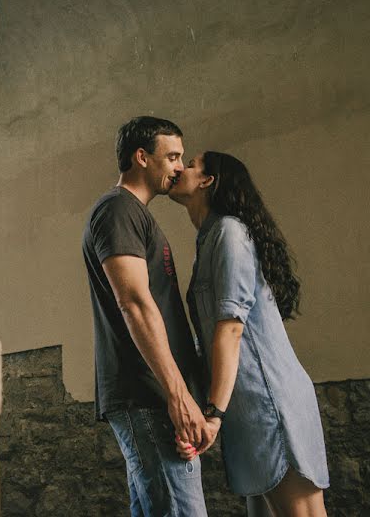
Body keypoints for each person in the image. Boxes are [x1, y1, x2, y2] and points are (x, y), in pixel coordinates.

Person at [169, 151, 330, 517]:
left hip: (269, 405)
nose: (180, 168)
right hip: (244, 409)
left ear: (209, 180)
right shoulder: (208, 241)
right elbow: (210, 339)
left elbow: (230, 329)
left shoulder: (229, 232)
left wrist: (212, 415)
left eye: (190, 163)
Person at [82, 117, 213, 517]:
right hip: (148, 394)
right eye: (172, 156)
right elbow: (135, 303)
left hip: (156, 394)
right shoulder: (118, 209)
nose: (178, 167)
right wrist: (178, 395)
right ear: (142, 157)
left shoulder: (132, 213)